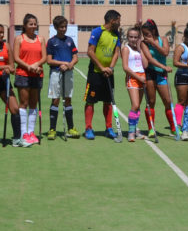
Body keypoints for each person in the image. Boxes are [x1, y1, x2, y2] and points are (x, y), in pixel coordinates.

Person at [83, 9, 122, 140]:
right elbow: (90, 51)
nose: (120, 23)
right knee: (90, 101)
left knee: (108, 101)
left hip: (109, 73)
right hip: (95, 73)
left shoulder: (116, 34)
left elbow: (116, 53)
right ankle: (88, 128)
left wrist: (110, 68)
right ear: (112, 21)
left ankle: (109, 128)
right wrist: (101, 67)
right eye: (119, 20)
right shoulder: (97, 31)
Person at [139, 19, 176, 138]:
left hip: (162, 75)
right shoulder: (143, 43)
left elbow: (165, 52)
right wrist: (163, 66)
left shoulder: (163, 39)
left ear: (154, 31)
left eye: (147, 34)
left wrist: (154, 43)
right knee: (151, 102)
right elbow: (150, 59)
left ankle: (174, 128)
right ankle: (151, 128)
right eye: (143, 34)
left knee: (168, 101)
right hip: (150, 73)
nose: (145, 37)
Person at [12, 13, 44, 145]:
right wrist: (28, 67)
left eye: (35, 24)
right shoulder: (19, 39)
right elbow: (16, 58)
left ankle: (31, 132)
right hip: (22, 74)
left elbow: (44, 57)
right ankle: (23, 133)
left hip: (37, 75)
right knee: (23, 103)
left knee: (33, 104)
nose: (33, 26)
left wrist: (36, 65)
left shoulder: (41, 39)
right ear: (24, 26)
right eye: (30, 24)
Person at [46, 15, 79, 139]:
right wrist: (63, 64)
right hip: (56, 73)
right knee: (55, 100)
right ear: (55, 27)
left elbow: (75, 57)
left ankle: (71, 128)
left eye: (65, 27)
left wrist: (70, 64)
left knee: (68, 99)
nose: (63, 29)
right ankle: (52, 129)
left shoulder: (70, 40)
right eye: (61, 27)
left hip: (68, 72)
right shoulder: (51, 42)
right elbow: (49, 60)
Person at [121, 27, 150, 141]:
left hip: (142, 78)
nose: (133, 39)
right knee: (135, 105)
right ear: (127, 37)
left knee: (138, 107)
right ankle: (131, 132)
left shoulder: (140, 49)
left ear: (139, 38)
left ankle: (135, 128)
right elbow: (125, 67)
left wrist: (140, 48)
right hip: (132, 78)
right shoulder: (126, 49)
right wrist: (138, 77)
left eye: (135, 37)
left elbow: (146, 64)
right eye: (131, 37)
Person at [172, 24, 188, 136]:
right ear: (185, 37)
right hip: (182, 76)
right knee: (182, 101)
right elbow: (175, 62)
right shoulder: (180, 47)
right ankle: (178, 124)